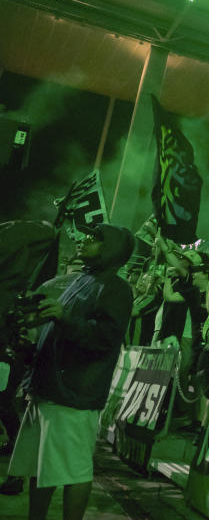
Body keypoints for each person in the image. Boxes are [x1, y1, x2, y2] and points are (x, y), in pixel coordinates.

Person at [6, 223, 134, 520]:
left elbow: (104, 338)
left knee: (75, 471)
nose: (84, 241)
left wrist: (64, 316)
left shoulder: (116, 288)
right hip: (49, 390)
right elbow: (61, 330)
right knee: (42, 466)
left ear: (111, 249)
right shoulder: (82, 280)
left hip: (74, 394)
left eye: (94, 239)